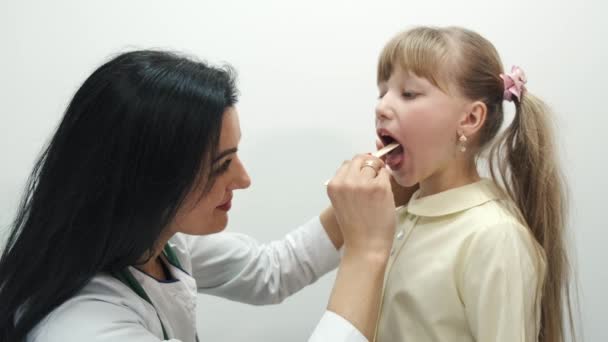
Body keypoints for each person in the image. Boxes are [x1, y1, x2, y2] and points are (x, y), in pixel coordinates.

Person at [0, 50, 399, 342]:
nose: (243, 180)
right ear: (148, 180)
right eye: (221, 164)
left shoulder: (155, 242)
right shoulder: (83, 328)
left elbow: (270, 270)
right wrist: (367, 253)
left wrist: (367, 201)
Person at [372, 26, 575, 342]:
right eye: (382, 92)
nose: (382, 107)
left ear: (469, 119)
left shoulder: (495, 237)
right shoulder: (397, 219)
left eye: (408, 93)